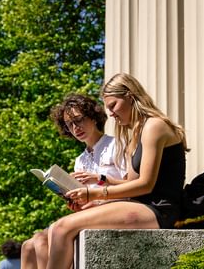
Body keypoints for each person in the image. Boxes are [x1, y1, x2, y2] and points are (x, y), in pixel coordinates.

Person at [44, 73, 189, 269]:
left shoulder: (154, 126)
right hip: (141, 206)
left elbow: (146, 185)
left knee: (62, 228)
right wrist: (94, 196)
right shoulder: (135, 133)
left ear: (130, 96)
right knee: (56, 228)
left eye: (113, 105)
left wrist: (96, 192)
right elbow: (131, 185)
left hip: (159, 209)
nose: (111, 113)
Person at [20, 93, 127, 269]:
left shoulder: (116, 145)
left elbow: (130, 188)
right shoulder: (80, 160)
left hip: (115, 208)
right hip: (92, 212)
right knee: (29, 245)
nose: (75, 127)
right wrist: (76, 203)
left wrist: (99, 180)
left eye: (79, 120)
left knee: (41, 241)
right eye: (69, 124)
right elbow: (85, 199)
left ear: (93, 117)